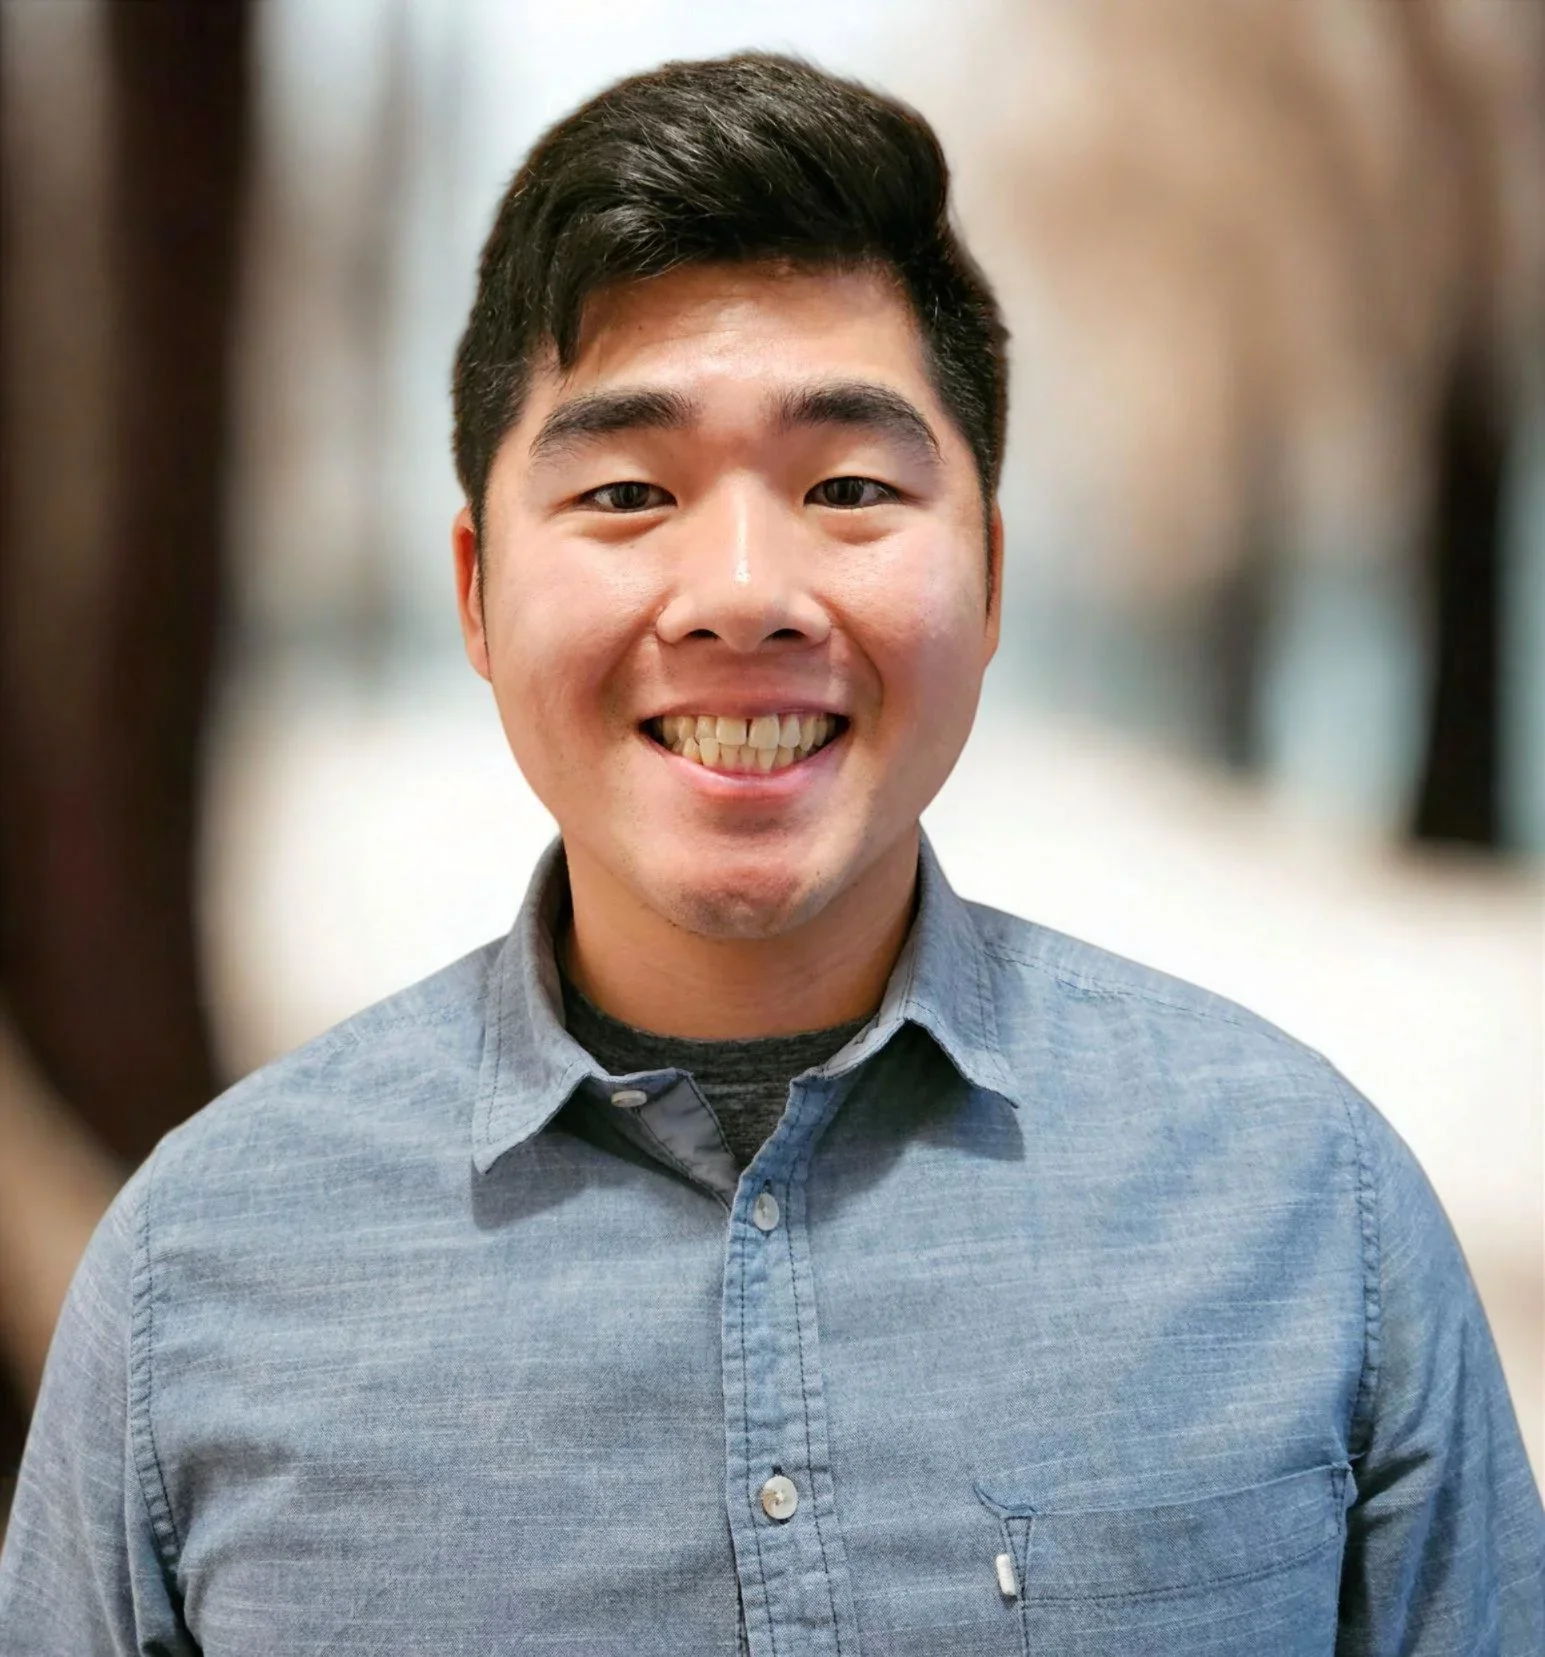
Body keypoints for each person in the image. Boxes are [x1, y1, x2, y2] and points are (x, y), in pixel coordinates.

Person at [1, 51, 1539, 1657]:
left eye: (850, 486)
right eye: (624, 490)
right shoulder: (201, 1278)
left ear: (991, 577)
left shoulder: (1307, 1209)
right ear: (474, 589)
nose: (743, 590)